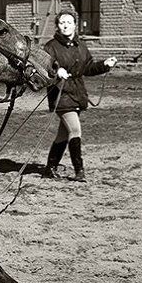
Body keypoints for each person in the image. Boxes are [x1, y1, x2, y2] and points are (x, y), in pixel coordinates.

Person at [42, 11, 117, 182]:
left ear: (75, 25)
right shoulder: (51, 46)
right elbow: (44, 66)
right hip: (60, 93)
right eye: (62, 22)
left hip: (77, 92)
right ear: (58, 26)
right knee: (75, 130)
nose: (66, 25)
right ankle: (79, 170)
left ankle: (50, 168)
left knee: (63, 134)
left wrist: (104, 65)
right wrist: (56, 71)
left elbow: (88, 67)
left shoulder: (80, 46)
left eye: (69, 22)